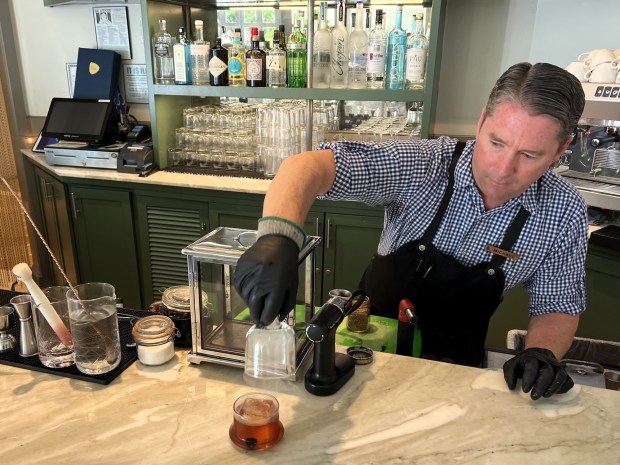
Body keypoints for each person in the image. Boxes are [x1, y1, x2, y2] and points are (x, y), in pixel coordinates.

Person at [234, 62, 587, 400]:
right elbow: (306, 167)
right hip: (361, 356)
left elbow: (557, 305)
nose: (503, 168)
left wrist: (542, 352)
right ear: (481, 122)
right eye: (496, 142)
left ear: (560, 149)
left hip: (455, 373)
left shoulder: (563, 211)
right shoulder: (423, 165)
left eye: (529, 155)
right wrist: (277, 238)